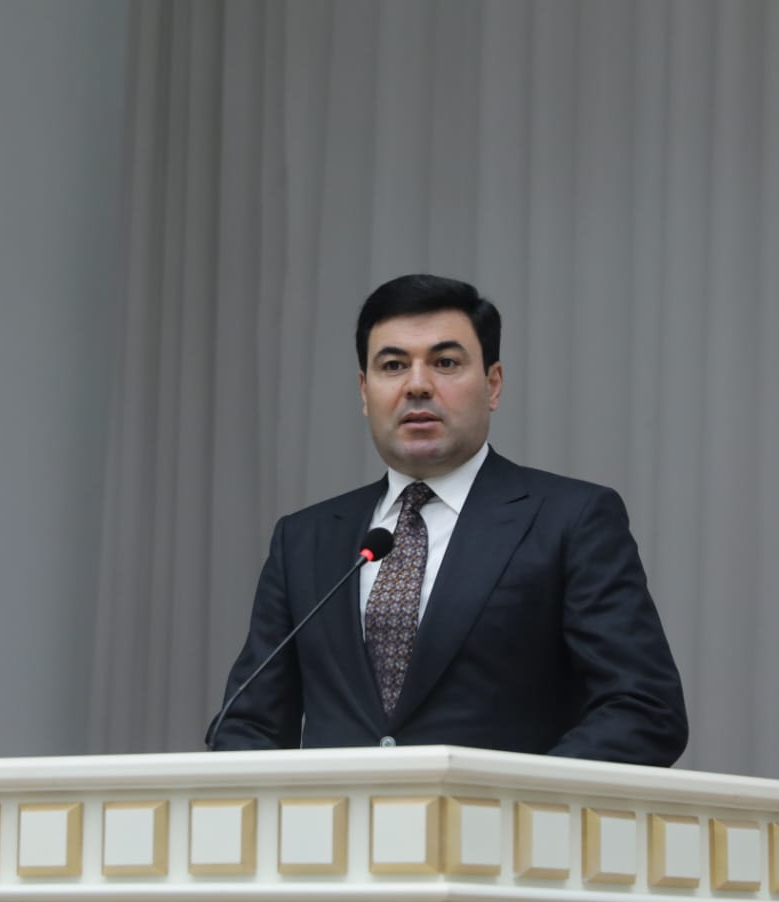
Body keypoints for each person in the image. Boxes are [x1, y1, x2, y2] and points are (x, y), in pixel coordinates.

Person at [209, 274, 686, 765]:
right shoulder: (305, 539)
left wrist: (521, 796)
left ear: (493, 384)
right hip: (337, 816)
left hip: (504, 814)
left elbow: (644, 709)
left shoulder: (570, 520)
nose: (417, 385)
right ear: (365, 391)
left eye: (445, 363)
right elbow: (249, 723)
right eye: (393, 366)